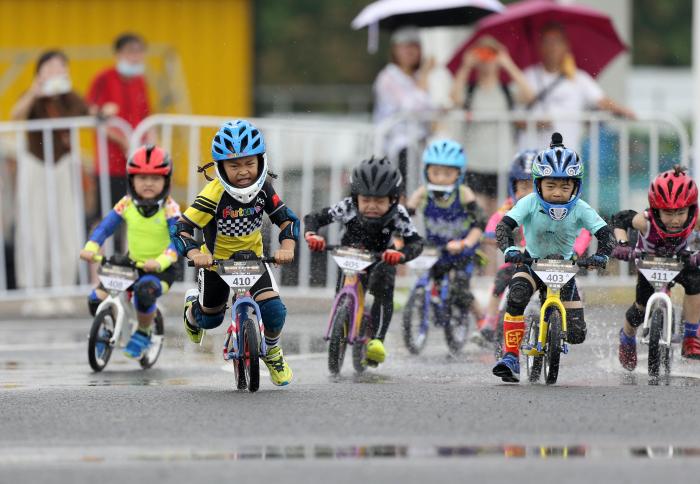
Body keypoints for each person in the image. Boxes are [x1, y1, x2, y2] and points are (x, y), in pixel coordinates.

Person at [171, 120, 299, 387]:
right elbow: (182, 227)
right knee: (211, 319)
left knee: (274, 312)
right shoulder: (213, 194)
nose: (243, 172)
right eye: (234, 165)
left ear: (260, 162)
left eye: (249, 164)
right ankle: (191, 310)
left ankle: (273, 352)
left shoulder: (264, 189)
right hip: (217, 264)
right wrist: (195, 253)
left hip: (253, 261)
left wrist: (287, 247)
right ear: (221, 167)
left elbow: (287, 219)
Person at [491, 133, 615, 383]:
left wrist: (601, 255)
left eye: (565, 186)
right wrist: (509, 250)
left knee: (577, 333)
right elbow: (503, 227)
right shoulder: (528, 202)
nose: (558, 193)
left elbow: (605, 234)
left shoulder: (581, 207)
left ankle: (553, 334)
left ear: (575, 186)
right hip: (533, 263)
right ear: (538, 184)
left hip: (566, 268)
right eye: (551, 186)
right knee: (516, 296)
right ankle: (511, 357)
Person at [304, 157, 423, 366]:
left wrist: (401, 255)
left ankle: (377, 341)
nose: (372, 206)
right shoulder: (347, 207)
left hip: (382, 258)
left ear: (393, 200)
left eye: (379, 201)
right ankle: (342, 321)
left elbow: (416, 243)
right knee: (342, 289)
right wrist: (312, 234)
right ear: (355, 197)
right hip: (350, 254)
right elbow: (314, 217)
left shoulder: (399, 214)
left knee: (383, 288)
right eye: (366, 200)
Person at [475, 149, 591, 346]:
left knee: (572, 288)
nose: (528, 193)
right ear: (513, 187)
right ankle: (490, 321)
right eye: (523, 186)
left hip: (556, 262)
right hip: (522, 260)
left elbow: (583, 232)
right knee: (502, 279)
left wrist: (577, 252)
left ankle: (568, 321)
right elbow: (496, 223)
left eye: (532, 186)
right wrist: (496, 239)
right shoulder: (511, 207)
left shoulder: (564, 207)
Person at [79, 145, 180, 359]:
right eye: (142, 178)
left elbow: (178, 242)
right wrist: (91, 247)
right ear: (131, 180)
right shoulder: (126, 204)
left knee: (144, 292)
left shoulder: (170, 208)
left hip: (161, 269)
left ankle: (143, 332)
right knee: (96, 298)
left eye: (155, 178)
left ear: (166, 181)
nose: (148, 183)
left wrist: (161, 261)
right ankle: (106, 327)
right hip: (132, 263)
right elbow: (105, 227)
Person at [10, 50, 89, 289]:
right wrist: (35, 91)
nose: (56, 71)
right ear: (39, 72)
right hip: (35, 166)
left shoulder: (70, 98)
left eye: (60, 67)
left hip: (63, 166)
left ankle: (63, 287)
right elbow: (16, 115)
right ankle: (33, 290)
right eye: (50, 67)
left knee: (67, 227)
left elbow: (90, 112)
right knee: (33, 229)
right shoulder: (34, 97)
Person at [611, 166, 700, 367]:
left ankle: (692, 336)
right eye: (668, 213)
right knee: (640, 309)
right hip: (649, 262)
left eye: (681, 212)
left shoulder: (696, 219)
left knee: (696, 283)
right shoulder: (645, 221)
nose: (675, 220)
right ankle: (626, 337)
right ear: (655, 209)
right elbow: (619, 219)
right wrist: (623, 245)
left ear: (691, 209)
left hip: (682, 261)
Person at [518, 23, 634, 152]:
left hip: (565, 159)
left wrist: (624, 111)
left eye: (557, 42)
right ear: (539, 46)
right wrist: (537, 124)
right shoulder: (527, 76)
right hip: (530, 158)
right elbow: (515, 117)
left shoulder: (579, 78)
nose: (552, 47)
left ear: (566, 46)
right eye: (547, 42)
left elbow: (602, 101)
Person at [449, 37, 534, 213]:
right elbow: (455, 98)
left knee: (500, 218)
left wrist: (507, 62)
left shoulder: (506, 91)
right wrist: (466, 65)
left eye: (491, 54)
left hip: (502, 164)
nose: (487, 60)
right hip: (475, 163)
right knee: (477, 217)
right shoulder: (471, 91)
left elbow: (529, 95)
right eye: (482, 54)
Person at [405, 139, 486, 322]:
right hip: (436, 248)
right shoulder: (423, 193)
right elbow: (403, 217)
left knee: (461, 290)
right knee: (430, 274)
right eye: (436, 173)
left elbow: (480, 223)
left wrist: (466, 243)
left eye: (447, 173)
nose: (441, 178)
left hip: (461, 249)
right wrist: (400, 238)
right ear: (426, 172)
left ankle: (483, 323)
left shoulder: (464, 193)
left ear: (459, 174)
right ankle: (431, 299)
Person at [87, 33, 153, 228]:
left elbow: (147, 117)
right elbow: (93, 114)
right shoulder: (103, 78)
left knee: (132, 212)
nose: (136, 57)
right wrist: (124, 142)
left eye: (139, 52)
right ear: (118, 54)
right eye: (130, 52)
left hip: (136, 161)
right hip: (110, 162)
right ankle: (93, 251)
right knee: (105, 213)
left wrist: (149, 148)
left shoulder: (140, 81)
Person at [373, 26, 435, 195]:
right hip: (395, 145)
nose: (410, 51)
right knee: (402, 192)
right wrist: (425, 76)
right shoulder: (387, 77)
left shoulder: (415, 78)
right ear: (395, 50)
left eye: (414, 46)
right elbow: (413, 107)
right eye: (405, 46)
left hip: (419, 144)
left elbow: (428, 111)